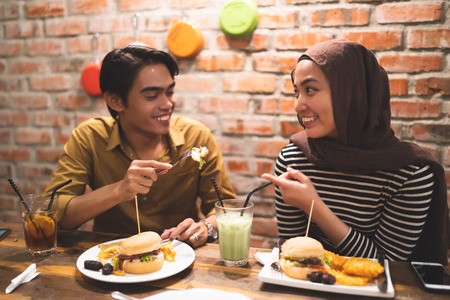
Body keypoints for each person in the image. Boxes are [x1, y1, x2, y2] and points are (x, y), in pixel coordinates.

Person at [262, 39, 448, 264]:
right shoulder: (293, 159)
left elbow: (387, 264)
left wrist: (315, 207)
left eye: (310, 90)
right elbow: (292, 255)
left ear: (351, 94)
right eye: (296, 92)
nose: (298, 105)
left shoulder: (410, 173)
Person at [44, 44, 235, 247]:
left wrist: (206, 227)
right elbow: (53, 212)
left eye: (169, 92)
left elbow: (227, 208)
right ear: (116, 101)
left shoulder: (196, 137)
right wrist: (118, 190)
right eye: (152, 96)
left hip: (180, 255)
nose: (167, 104)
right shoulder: (89, 137)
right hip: (111, 259)